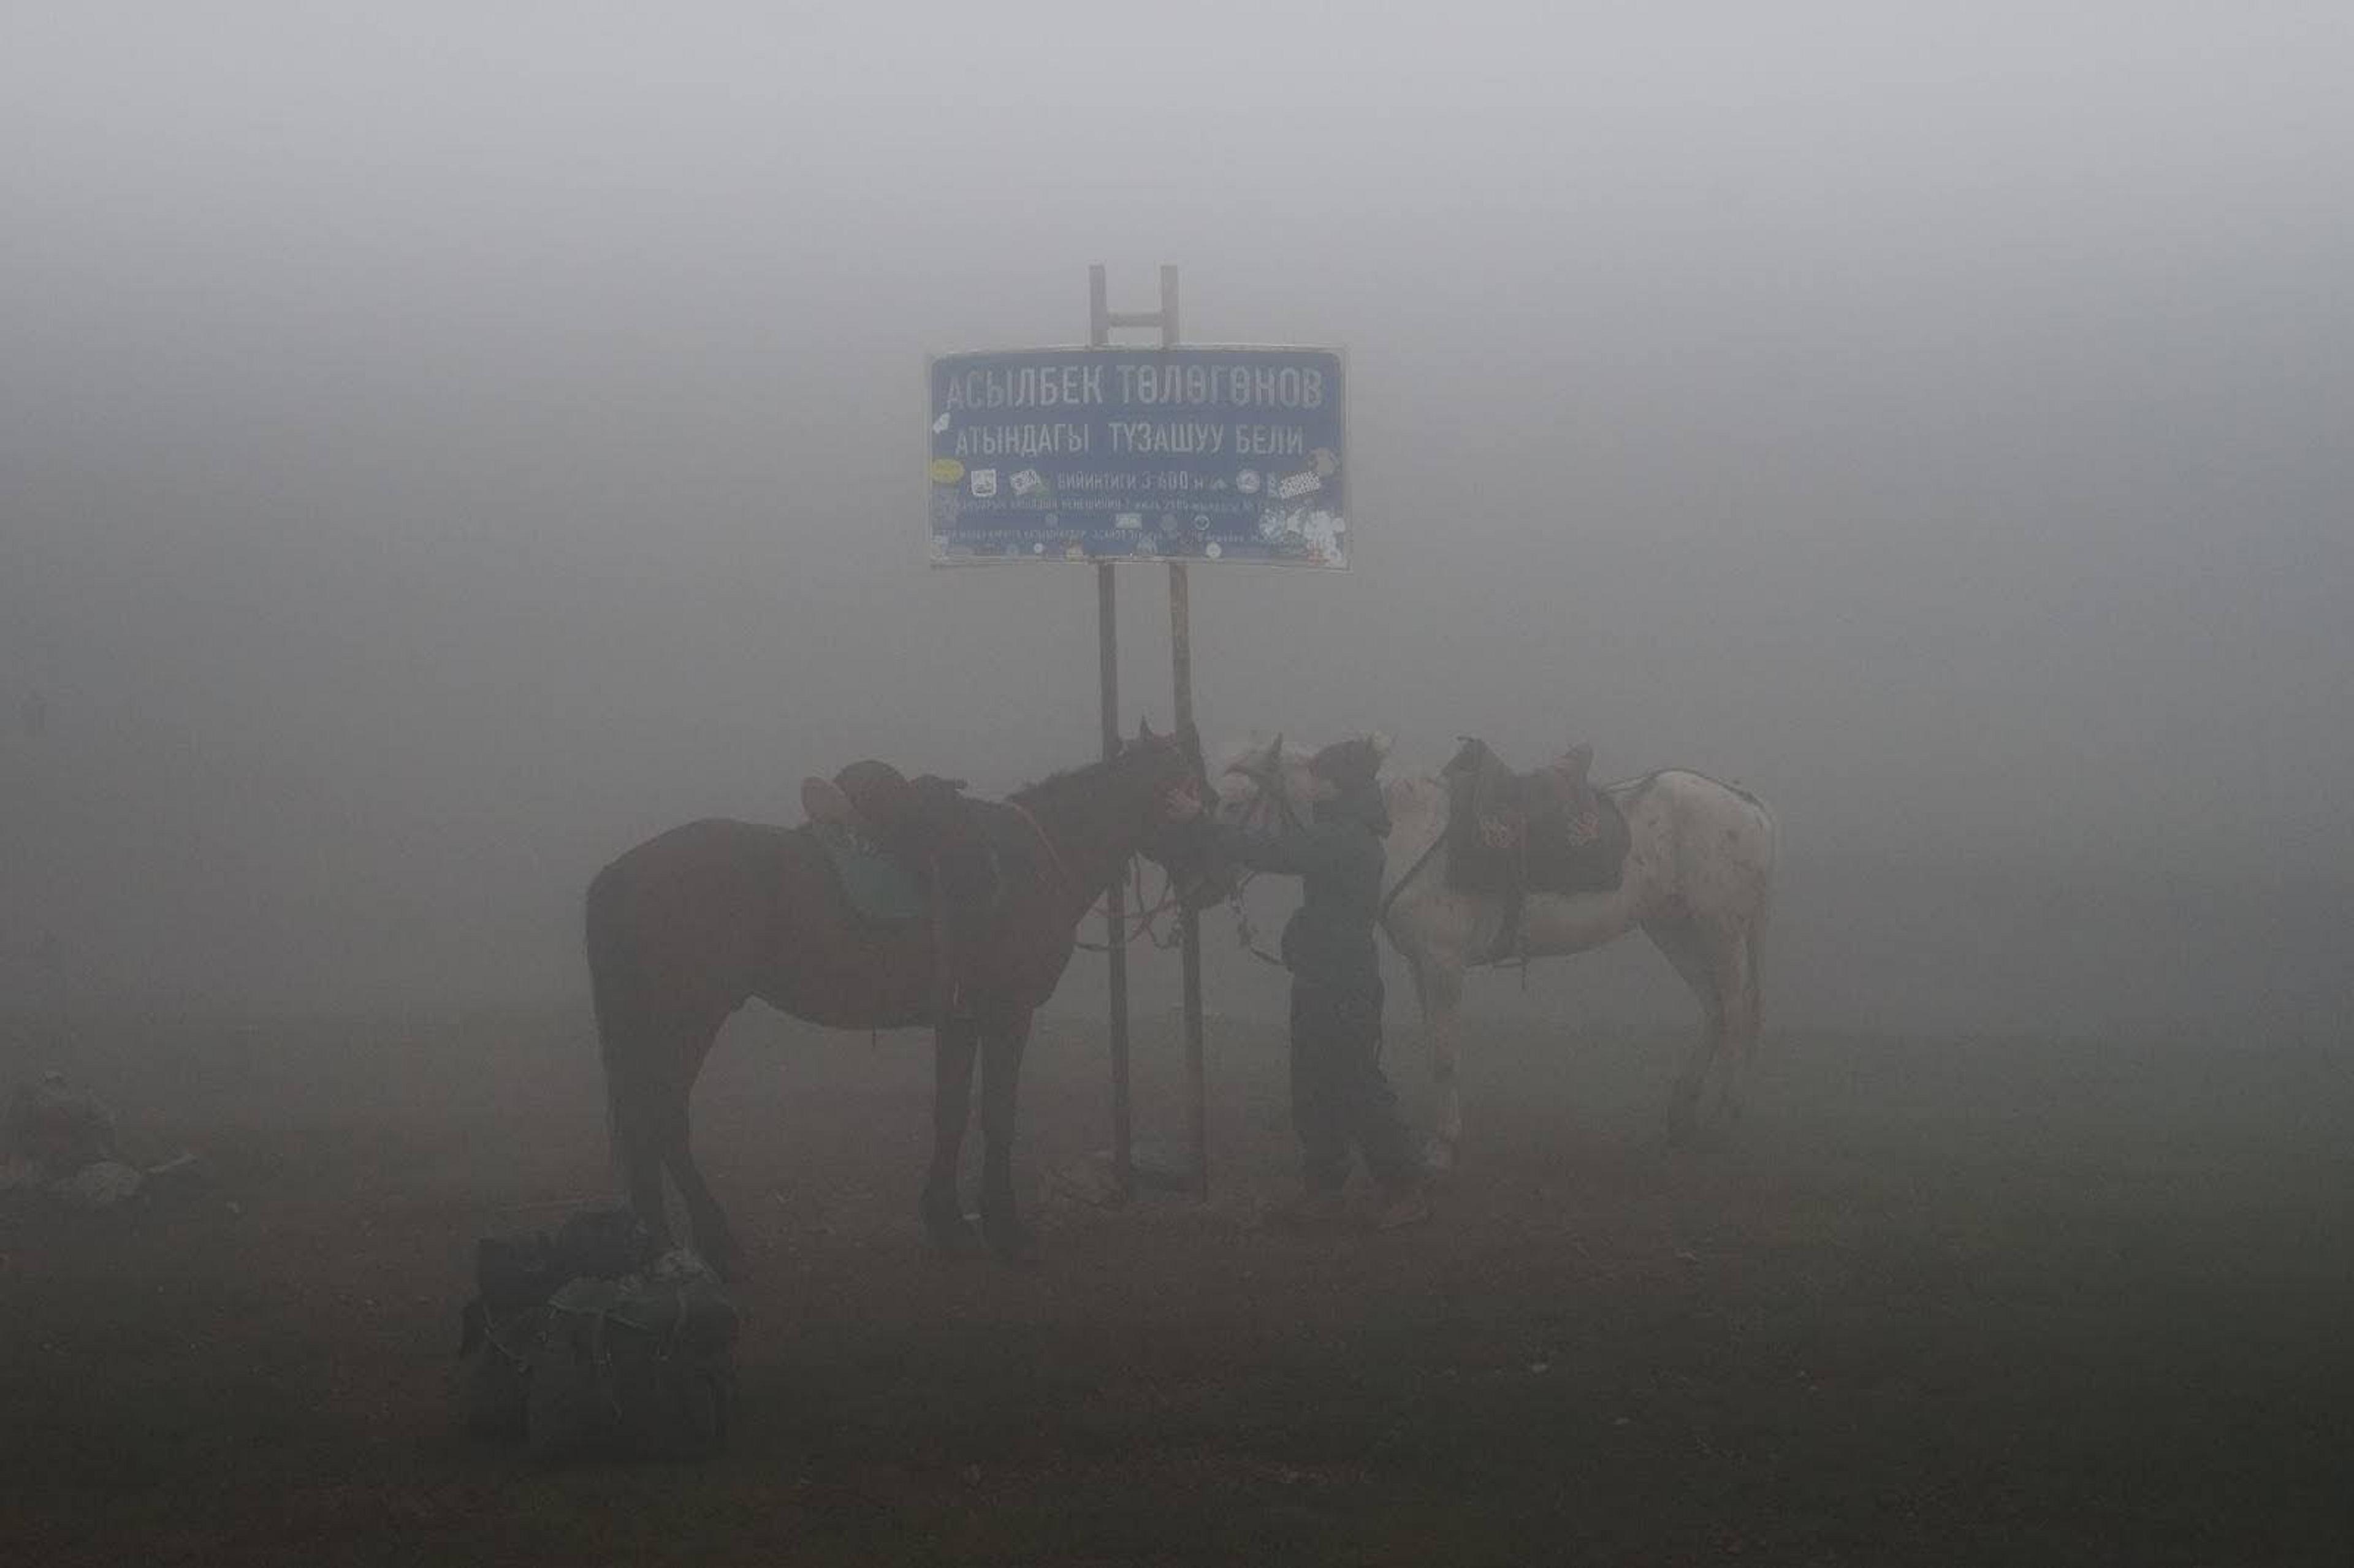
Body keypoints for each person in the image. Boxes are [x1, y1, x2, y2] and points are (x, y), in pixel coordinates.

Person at [1219, 737, 1430, 1230]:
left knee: (1356, 1083)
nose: (1309, 783)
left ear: (1338, 783)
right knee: (1313, 1084)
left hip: (1342, 980)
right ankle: (1323, 1188)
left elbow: (1274, 852)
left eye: (1318, 775)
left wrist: (1202, 826)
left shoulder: (1347, 838)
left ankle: (1406, 1187)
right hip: (1322, 974)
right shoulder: (1340, 831)